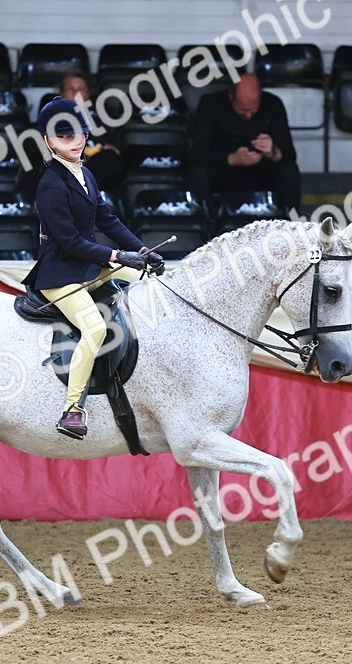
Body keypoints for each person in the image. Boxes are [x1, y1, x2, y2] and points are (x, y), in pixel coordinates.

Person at [22, 97, 164, 440]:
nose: (78, 141)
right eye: (67, 136)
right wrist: (116, 257)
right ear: (49, 141)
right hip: (60, 275)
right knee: (95, 329)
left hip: (90, 267)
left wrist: (141, 250)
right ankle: (73, 409)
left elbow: (107, 220)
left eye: (81, 133)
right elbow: (70, 242)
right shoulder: (50, 185)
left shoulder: (85, 172)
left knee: (151, 286)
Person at [189, 73, 301, 213]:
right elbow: (197, 154)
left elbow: (289, 154)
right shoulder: (212, 104)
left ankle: (290, 223)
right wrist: (230, 159)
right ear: (231, 97)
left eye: (253, 109)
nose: (248, 115)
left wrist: (273, 152)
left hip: (261, 172)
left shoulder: (273, 104)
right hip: (225, 172)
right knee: (198, 172)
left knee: (289, 171)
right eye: (242, 110)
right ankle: (208, 222)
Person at [17, 72, 124, 199]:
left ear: (88, 95)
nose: (75, 93)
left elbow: (112, 152)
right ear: (61, 94)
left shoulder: (99, 124)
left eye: (80, 89)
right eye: (70, 89)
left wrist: (102, 147)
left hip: (84, 176)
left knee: (110, 158)